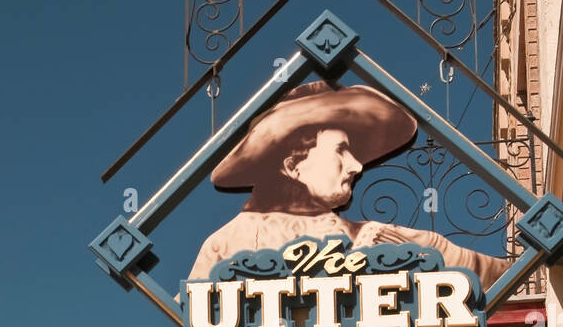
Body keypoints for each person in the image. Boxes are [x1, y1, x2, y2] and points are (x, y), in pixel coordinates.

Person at [188, 80, 509, 289]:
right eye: (341, 150)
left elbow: (498, 276)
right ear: (292, 164)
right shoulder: (224, 247)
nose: (356, 165)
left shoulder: (383, 239)